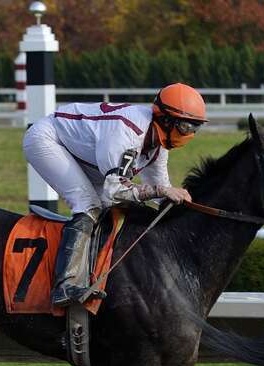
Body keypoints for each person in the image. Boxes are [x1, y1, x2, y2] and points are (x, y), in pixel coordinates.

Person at [22, 82, 208, 307]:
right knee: (88, 204)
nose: (191, 134)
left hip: (85, 155)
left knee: (122, 210)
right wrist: (161, 191)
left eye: (195, 129)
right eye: (187, 127)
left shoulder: (159, 145)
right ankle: (65, 285)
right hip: (47, 140)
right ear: (166, 120)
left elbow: (161, 196)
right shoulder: (128, 133)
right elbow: (115, 192)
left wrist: (190, 209)